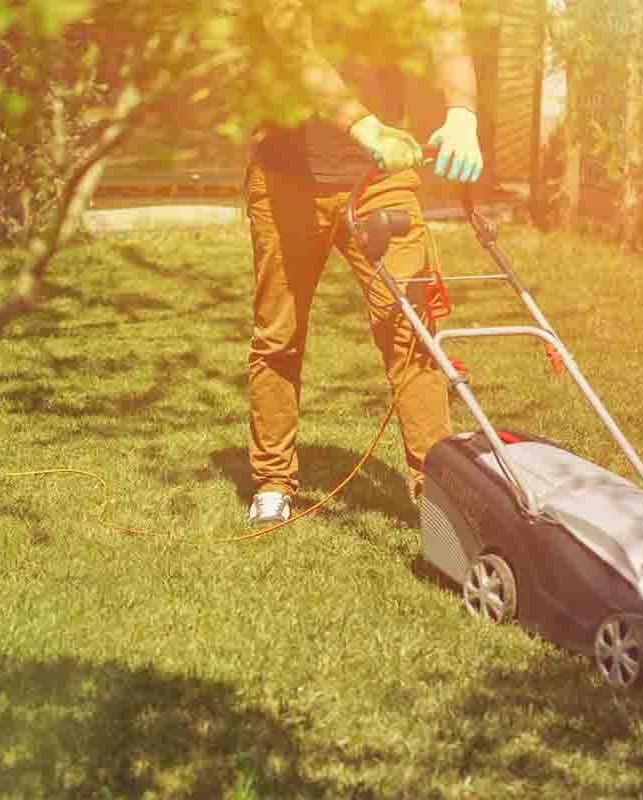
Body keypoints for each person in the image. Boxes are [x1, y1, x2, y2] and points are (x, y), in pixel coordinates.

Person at [245, 0, 484, 527]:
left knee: (413, 329)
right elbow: (293, 48)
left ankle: (436, 489)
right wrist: (362, 125)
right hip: (288, 175)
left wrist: (463, 113)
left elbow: (447, 30)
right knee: (278, 334)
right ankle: (274, 481)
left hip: (382, 171)